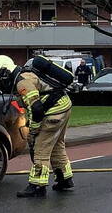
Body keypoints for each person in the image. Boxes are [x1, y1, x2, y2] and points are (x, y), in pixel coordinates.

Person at [14, 56, 74, 198]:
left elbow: (36, 108)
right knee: (57, 145)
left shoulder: (23, 81)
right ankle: (65, 179)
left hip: (54, 112)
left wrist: (33, 131)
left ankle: (37, 186)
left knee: (41, 148)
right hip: (64, 105)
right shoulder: (29, 74)